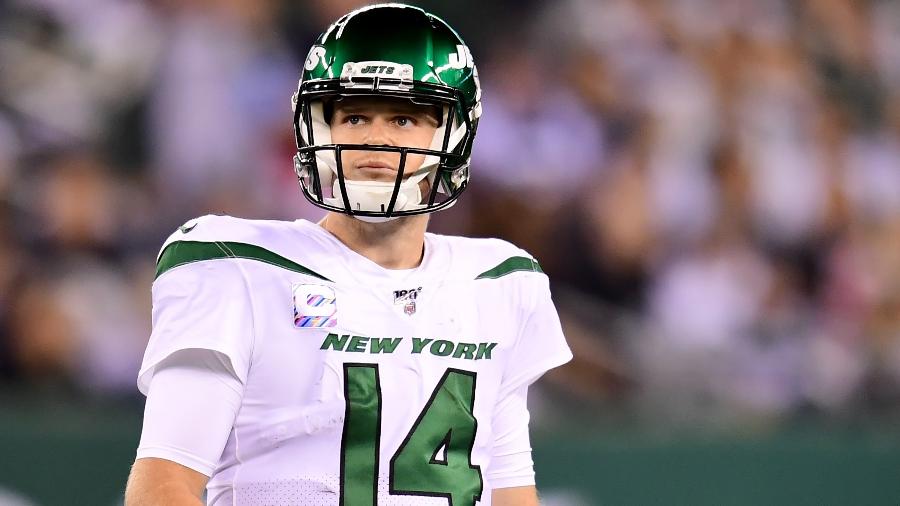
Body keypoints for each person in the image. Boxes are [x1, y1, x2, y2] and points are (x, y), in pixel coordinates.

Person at [124, 4, 571, 505]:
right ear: (320, 129)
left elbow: (509, 490)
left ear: (454, 135)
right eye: (355, 115)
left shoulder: (500, 285)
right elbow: (166, 479)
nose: (375, 138)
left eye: (404, 118)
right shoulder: (240, 268)